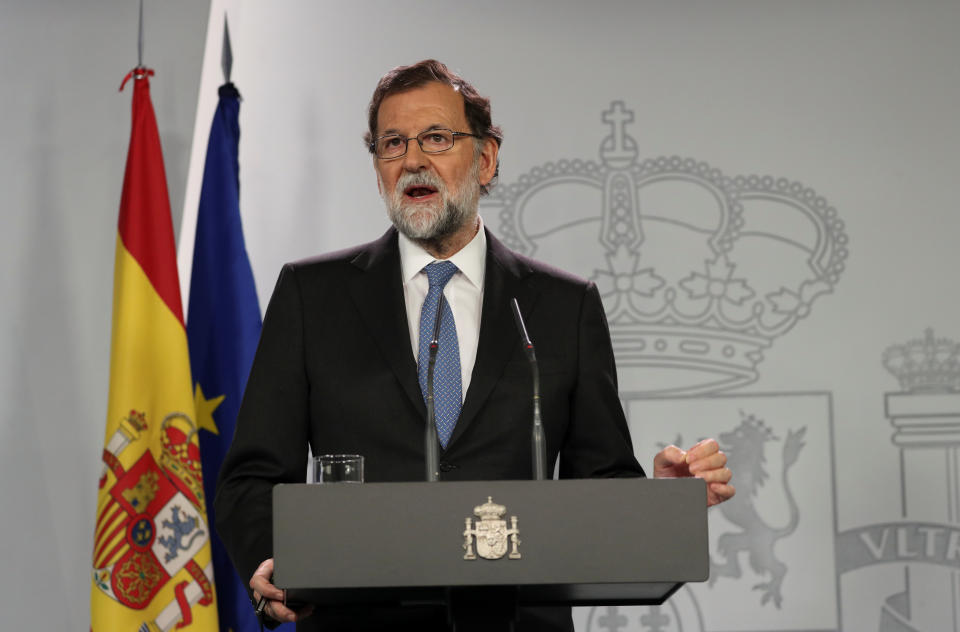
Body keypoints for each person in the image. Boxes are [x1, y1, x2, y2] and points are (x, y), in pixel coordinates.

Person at [214, 59, 734, 631]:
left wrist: (659, 506)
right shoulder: (313, 297)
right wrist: (271, 560)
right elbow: (254, 474)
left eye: (436, 137)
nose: (412, 159)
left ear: (484, 160)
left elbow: (600, 481)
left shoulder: (563, 307)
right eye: (392, 144)